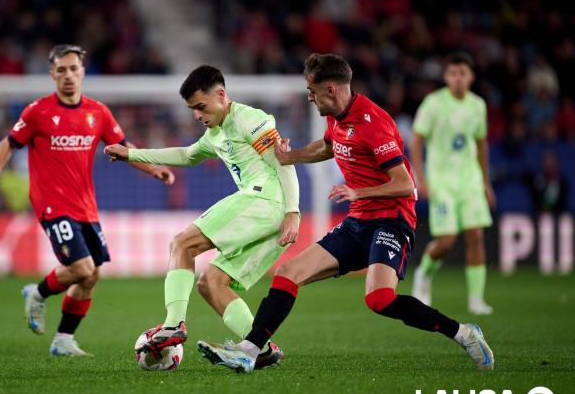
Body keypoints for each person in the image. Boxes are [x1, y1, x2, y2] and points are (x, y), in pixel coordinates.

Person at [196, 53, 494, 373]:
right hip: (358, 222)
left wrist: (358, 192)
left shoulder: (373, 124)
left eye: (312, 90)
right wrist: (289, 156)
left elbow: (405, 185)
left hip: (391, 221)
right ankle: (250, 350)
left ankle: (463, 334)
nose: (308, 96)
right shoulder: (336, 117)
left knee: (379, 299)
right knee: (287, 274)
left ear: (332, 91)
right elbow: (326, 147)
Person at [0, 45, 174, 357]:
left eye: (73, 69)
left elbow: (122, 147)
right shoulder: (37, 112)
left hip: (85, 205)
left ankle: (63, 339)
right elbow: (9, 142)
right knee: (81, 268)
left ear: (83, 72)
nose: (68, 75)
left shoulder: (98, 113)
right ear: (52, 74)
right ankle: (37, 293)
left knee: (92, 275)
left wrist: (153, 168)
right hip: (51, 204)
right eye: (61, 70)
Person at [104, 65, 300, 369]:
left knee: (182, 244)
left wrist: (293, 211)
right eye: (192, 109)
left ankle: (173, 324)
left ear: (221, 95)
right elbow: (185, 155)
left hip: (266, 201)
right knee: (212, 282)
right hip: (270, 216)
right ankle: (259, 348)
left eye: (201, 106)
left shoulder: (251, 119)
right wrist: (133, 154)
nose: (197, 114)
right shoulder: (214, 134)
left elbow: (284, 163)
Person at [410, 52, 496, 315]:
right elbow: (416, 141)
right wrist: (421, 178)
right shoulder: (434, 104)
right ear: (446, 76)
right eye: (453, 73)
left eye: (463, 73)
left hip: (469, 180)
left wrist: (485, 182)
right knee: (446, 241)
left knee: (475, 236)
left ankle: (476, 300)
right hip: (442, 182)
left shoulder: (478, 105)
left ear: (471, 77)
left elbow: (481, 145)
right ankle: (423, 276)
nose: (458, 78)